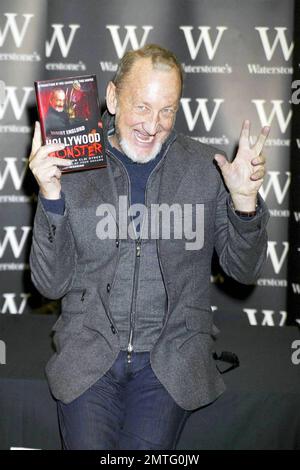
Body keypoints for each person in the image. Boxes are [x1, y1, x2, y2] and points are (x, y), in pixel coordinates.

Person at [28, 44, 270, 450]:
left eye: (166, 110)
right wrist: (51, 195)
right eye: (142, 106)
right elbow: (50, 286)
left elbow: (244, 271)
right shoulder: (70, 166)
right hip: (89, 354)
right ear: (111, 97)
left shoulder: (204, 168)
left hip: (172, 357)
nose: (153, 125)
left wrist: (244, 204)